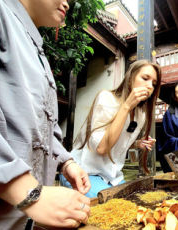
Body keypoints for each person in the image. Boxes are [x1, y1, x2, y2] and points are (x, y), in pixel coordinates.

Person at [0, 0, 93, 229]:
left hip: (19, 219)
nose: (68, 3)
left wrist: (66, 163)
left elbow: (43, 123)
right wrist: (30, 193)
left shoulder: (37, 49)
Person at [60, 60, 161, 198]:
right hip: (84, 171)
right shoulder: (107, 99)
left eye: (154, 84)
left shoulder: (140, 114)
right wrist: (126, 107)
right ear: (130, 79)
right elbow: (102, 148)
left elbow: (120, 142)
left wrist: (137, 144)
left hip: (113, 177)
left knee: (136, 200)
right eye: (145, 78)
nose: (149, 86)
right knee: (113, 209)